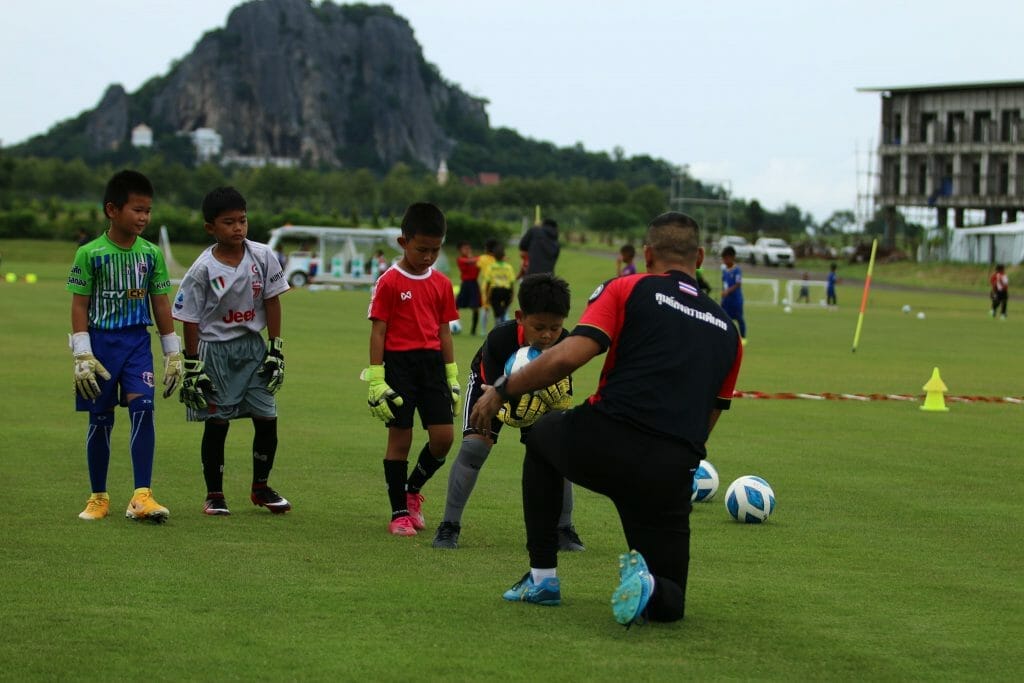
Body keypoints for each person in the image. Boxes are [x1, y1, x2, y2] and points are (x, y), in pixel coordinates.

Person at [470, 211, 742, 626]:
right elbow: (711, 413)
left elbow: (569, 356)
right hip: (670, 469)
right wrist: (680, 464)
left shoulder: (628, 287)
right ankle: (652, 587)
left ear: (647, 254)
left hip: (607, 439)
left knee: (541, 437)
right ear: (701, 257)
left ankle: (542, 579)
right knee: (670, 604)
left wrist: (502, 390)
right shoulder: (728, 331)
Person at [432, 273, 584, 552]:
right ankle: (449, 526)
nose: (547, 335)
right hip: (491, 387)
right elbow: (493, 390)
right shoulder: (500, 339)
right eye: (539, 327)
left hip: (540, 393)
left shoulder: (566, 343)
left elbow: (562, 397)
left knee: (558, 454)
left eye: (555, 327)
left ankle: (564, 529)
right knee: (474, 448)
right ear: (520, 317)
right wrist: (508, 404)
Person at [67, 170, 182, 523]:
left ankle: (142, 496)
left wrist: (172, 352)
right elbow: (80, 305)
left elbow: (160, 302)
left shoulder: (151, 254)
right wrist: (81, 352)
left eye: (148, 210)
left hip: (136, 343)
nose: (144, 218)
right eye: (137, 210)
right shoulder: (89, 254)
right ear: (112, 210)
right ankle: (98, 497)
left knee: (143, 409)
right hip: (100, 345)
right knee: (100, 419)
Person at [172, 186, 291, 516]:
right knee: (218, 422)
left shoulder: (262, 256)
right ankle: (214, 494)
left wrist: (275, 348)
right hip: (215, 350)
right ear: (210, 227)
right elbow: (190, 318)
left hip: (253, 348)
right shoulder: (203, 269)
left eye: (242, 220)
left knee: (267, 416)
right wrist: (193, 363)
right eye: (229, 222)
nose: (238, 228)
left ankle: (261, 487)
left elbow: (272, 300)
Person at [363, 202, 460, 536]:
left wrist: (451, 374)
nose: (429, 257)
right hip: (399, 366)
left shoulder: (442, 284)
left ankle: (413, 489)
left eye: (435, 250)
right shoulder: (389, 282)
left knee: (444, 439)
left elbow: (444, 331)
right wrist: (376, 377)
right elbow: (378, 331)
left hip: (432, 366)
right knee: (400, 439)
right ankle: (399, 513)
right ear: (403, 242)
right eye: (422, 249)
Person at [720, 245, 747, 343]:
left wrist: (727, 291)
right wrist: (723, 294)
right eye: (723, 259)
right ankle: (726, 337)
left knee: (739, 318)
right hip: (726, 300)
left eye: (725, 258)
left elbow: (738, 284)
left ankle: (743, 338)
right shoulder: (724, 271)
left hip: (736, 299)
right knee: (724, 318)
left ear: (731, 257)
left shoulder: (736, 270)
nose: (724, 261)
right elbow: (724, 284)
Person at [454, 241, 482, 335]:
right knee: (456, 305)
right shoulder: (460, 259)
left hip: (474, 284)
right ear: (460, 250)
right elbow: (469, 261)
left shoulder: (475, 260)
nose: (468, 250)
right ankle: (455, 324)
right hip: (465, 284)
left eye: (469, 248)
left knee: (475, 307)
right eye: (465, 248)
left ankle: (473, 330)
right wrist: (482, 258)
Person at [486, 244, 517, 325]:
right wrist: (512, 294)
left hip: (495, 291)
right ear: (503, 256)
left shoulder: (491, 267)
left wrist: (487, 295)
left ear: (494, 256)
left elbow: (488, 282)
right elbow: (511, 282)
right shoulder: (508, 267)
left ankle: (498, 323)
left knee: (496, 310)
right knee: (503, 310)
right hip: (506, 291)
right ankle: (502, 320)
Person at [476, 239, 498, 333]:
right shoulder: (498, 259)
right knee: (497, 308)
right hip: (497, 285)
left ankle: (483, 330)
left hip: (486, 285)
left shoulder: (482, 258)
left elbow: (477, 266)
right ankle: (497, 329)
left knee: (485, 308)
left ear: (486, 248)